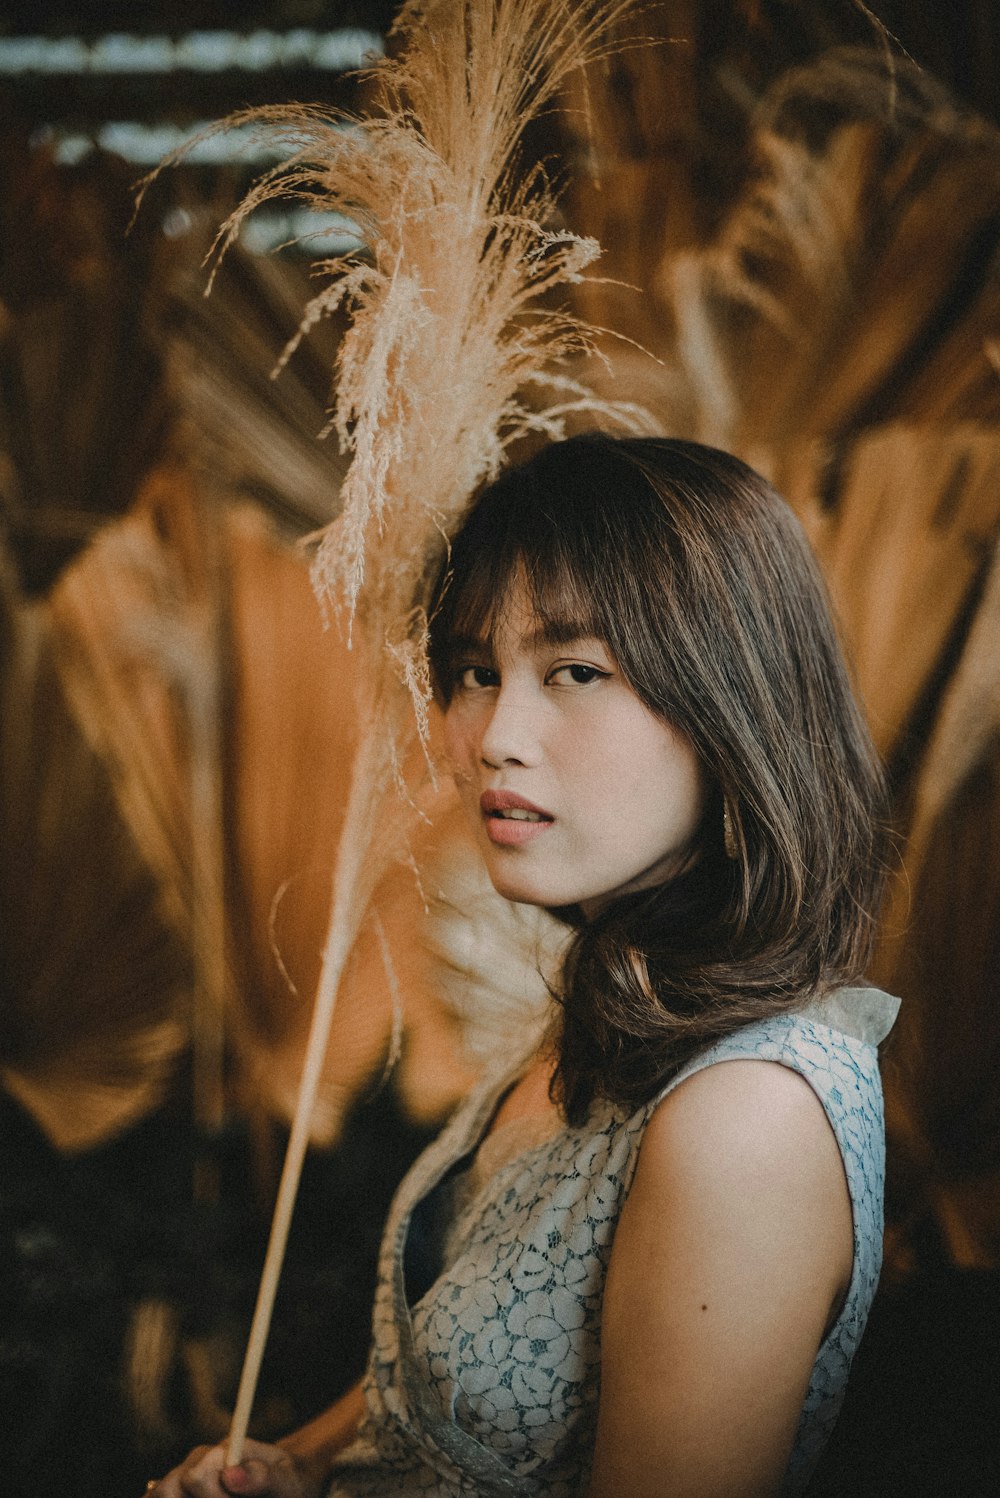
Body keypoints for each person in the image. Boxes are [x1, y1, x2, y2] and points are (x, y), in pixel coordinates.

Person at [151, 434, 897, 1498]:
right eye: (473, 671)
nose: (495, 733)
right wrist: (301, 1465)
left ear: (733, 696)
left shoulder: (742, 1118)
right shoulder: (628, 1003)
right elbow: (476, 1355)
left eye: (577, 671)